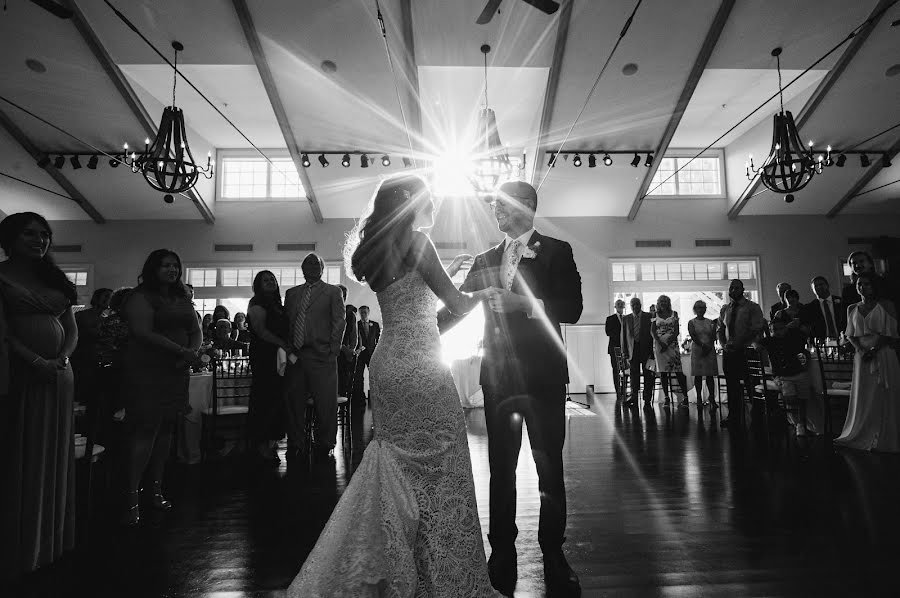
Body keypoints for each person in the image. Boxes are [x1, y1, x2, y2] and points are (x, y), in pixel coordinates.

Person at [288, 174, 496, 597]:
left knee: (397, 464)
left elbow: (413, 307)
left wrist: (447, 279)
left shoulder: (376, 251)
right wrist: (485, 290)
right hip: (422, 367)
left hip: (389, 363)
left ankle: (401, 568)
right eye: (430, 195)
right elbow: (453, 309)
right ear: (411, 200)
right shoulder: (420, 242)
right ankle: (449, 579)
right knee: (443, 468)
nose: (435, 201)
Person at [442, 180, 583, 596]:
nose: (494, 211)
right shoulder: (486, 257)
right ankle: (501, 551)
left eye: (500, 205)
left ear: (525, 205)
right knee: (501, 469)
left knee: (548, 466)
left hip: (543, 375)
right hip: (499, 376)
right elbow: (456, 305)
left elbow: (572, 309)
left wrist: (526, 305)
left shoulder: (557, 251)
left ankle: (553, 554)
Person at [0, 212, 78, 579]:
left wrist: (61, 358)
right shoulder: (1, 276)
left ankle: (51, 540)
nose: (39, 239)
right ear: (10, 238)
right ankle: (21, 543)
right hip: (21, 373)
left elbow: (70, 328)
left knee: (55, 453)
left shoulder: (53, 278)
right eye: (29, 234)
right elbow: (4, 333)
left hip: (60, 374)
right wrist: (35, 360)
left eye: (44, 234)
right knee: (24, 452)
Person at [120, 249, 201, 525]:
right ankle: (130, 497)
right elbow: (143, 332)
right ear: (153, 268)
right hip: (148, 369)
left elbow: (196, 327)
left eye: (175, 265)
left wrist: (192, 350)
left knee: (166, 430)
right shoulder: (139, 296)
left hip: (176, 371)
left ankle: (156, 488)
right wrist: (182, 350)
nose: (171, 270)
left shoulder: (180, 296)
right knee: (146, 430)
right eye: (165, 265)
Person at [283, 253, 345, 460]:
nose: (311, 266)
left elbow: (339, 321)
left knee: (326, 403)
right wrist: (289, 350)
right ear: (302, 268)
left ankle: (325, 443)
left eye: (315, 263)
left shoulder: (332, 292)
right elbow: (289, 323)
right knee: (294, 402)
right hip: (297, 356)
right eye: (307, 263)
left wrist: (333, 350)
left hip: (322, 355)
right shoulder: (291, 294)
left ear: (322, 268)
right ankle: (296, 441)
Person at [836, 272, 900, 452]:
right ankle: (864, 432)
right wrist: (861, 350)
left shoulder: (886, 305)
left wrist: (874, 349)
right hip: (862, 355)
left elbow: (891, 333)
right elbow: (850, 334)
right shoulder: (852, 308)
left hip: (883, 352)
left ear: (874, 286)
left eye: (866, 284)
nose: (862, 287)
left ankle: (886, 434)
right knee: (865, 394)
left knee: (884, 393)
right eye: (859, 284)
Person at [247, 270, 290, 462]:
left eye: (272, 279)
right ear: (258, 284)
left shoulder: (278, 304)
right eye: (266, 280)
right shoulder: (256, 303)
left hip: (279, 356)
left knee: (277, 401)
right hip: (263, 357)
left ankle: (273, 443)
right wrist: (282, 344)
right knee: (264, 400)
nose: (271, 281)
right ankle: (260, 444)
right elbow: (261, 331)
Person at [717, 279, 765, 428]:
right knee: (732, 386)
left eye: (737, 288)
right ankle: (734, 417)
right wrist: (724, 345)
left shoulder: (752, 307)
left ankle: (757, 417)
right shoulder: (725, 308)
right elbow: (720, 329)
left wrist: (740, 343)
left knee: (752, 385)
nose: (733, 290)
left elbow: (756, 328)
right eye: (731, 288)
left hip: (746, 351)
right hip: (729, 352)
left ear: (743, 290)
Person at [770, 289, 814, 436]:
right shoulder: (780, 314)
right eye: (788, 297)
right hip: (785, 352)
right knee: (791, 396)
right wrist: (788, 327)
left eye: (793, 297)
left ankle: (804, 421)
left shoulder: (804, 311)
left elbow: (808, 330)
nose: (791, 299)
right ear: (784, 299)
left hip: (800, 346)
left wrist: (800, 326)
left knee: (803, 391)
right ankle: (796, 421)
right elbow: (774, 333)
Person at [71, 287, 112, 405]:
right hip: (83, 357)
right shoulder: (82, 315)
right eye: (106, 296)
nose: (108, 300)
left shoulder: (108, 318)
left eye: (110, 297)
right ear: (97, 298)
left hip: (99, 359)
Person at [651, 295, 689, 406]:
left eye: (665, 302)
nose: (663, 304)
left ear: (668, 303)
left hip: (672, 346)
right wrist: (660, 342)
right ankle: (667, 398)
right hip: (659, 346)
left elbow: (677, 331)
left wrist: (667, 343)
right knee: (663, 372)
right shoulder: (654, 315)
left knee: (678, 371)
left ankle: (685, 397)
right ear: (658, 303)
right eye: (661, 302)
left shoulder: (675, 314)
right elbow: (652, 331)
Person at [623, 297, 655, 409]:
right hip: (633, 350)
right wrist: (625, 353)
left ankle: (647, 398)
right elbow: (623, 337)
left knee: (648, 375)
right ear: (630, 306)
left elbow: (653, 335)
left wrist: (653, 352)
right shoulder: (626, 319)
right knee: (634, 376)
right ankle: (634, 397)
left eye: (637, 304)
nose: (635, 306)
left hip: (646, 350)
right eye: (633, 305)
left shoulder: (648, 316)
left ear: (640, 305)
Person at [687, 300, 718, 410]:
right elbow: (693, 335)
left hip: (709, 349)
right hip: (697, 349)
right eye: (699, 307)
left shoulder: (711, 322)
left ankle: (712, 398)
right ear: (695, 309)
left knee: (710, 375)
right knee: (698, 375)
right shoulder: (691, 322)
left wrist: (708, 346)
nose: (701, 309)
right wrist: (702, 346)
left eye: (703, 307)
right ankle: (699, 398)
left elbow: (713, 336)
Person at [352, 304, 380, 406]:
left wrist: (377, 353)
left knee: (373, 375)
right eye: (361, 312)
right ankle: (360, 398)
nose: (363, 314)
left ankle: (375, 397)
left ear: (368, 312)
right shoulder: (356, 324)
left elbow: (378, 340)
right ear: (359, 314)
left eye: (365, 312)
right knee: (358, 376)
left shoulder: (375, 325)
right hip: (360, 354)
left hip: (372, 354)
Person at [803, 276, 846, 342]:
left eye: (821, 284)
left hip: (843, 339)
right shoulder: (810, 308)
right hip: (823, 343)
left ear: (827, 285)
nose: (819, 287)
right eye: (816, 286)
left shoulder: (841, 302)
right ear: (813, 290)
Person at [335, 284, 358, 399]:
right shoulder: (327, 311)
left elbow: (354, 335)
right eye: (340, 295)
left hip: (344, 353)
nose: (342, 297)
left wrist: (351, 350)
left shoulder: (350, 314)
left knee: (343, 377)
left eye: (344, 295)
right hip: (330, 351)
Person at [605, 299, 626, 398]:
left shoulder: (627, 318)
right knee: (616, 370)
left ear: (624, 306)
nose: (620, 305)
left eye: (622, 304)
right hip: (614, 347)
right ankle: (618, 391)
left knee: (626, 369)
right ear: (615, 306)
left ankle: (625, 390)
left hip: (626, 348)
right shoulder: (610, 318)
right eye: (618, 304)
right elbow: (608, 332)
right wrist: (619, 337)